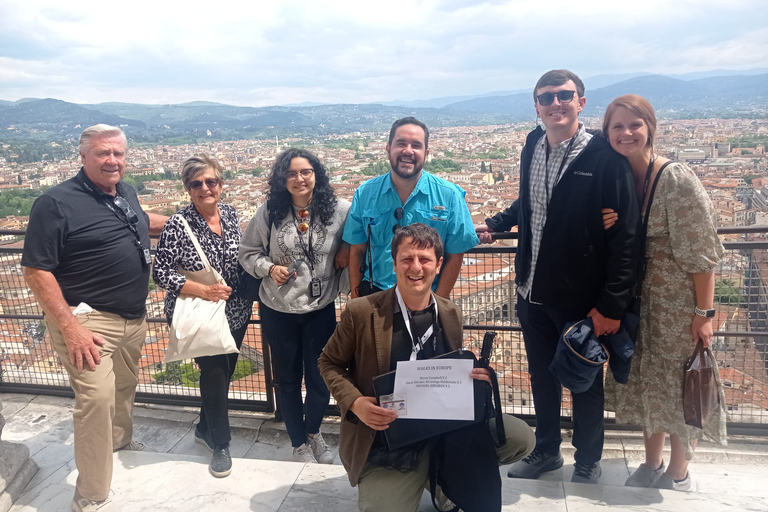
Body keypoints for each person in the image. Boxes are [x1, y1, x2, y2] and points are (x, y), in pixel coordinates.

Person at [475, 70, 639, 484]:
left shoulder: (604, 157)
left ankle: (588, 459)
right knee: (541, 377)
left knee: (585, 380)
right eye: (546, 97)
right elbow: (530, 203)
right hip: (531, 291)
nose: (555, 103)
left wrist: (610, 305)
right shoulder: (532, 143)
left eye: (565, 95)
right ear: (537, 107)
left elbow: (626, 241)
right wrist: (496, 223)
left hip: (581, 299)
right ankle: (546, 451)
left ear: (581, 102)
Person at [319, 223, 535, 511]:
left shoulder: (449, 312)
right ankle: (425, 476)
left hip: (442, 428)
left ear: (439, 264)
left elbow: (450, 371)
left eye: (425, 259)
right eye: (407, 259)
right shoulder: (362, 312)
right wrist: (355, 402)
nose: (416, 267)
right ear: (393, 263)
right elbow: (328, 362)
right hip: (388, 435)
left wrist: (477, 380)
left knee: (521, 437)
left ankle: (442, 477)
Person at [22, 124, 167, 512]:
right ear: (83, 157)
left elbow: (141, 219)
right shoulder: (55, 203)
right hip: (87, 320)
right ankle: (90, 495)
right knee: (96, 399)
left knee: (124, 386)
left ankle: (119, 441)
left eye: (118, 153)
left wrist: (190, 222)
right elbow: (36, 270)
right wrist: (70, 328)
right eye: (103, 153)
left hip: (133, 316)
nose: (112, 160)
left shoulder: (125, 193)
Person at [601, 95, 727, 491]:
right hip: (640, 303)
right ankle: (651, 462)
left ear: (650, 129)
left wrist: (703, 314)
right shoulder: (620, 178)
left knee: (677, 384)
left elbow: (703, 254)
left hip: (676, 304)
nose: (626, 133)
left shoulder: (675, 178)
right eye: (617, 126)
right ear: (606, 133)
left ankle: (679, 471)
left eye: (634, 125)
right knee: (645, 381)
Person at [239, 148, 350, 464]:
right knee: (287, 380)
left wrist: (346, 249)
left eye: (306, 172)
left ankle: (314, 434)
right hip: (277, 308)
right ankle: (298, 443)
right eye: (291, 173)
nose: (299, 179)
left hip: (321, 307)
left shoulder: (340, 211)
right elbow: (247, 252)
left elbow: (359, 240)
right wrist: (268, 269)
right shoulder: (269, 212)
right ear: (282, 179)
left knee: (320, 378)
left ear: (317, 175)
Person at [152, 154, 252, 478]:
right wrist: (200, 289)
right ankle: (220, 444)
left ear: (221, 184)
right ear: (188, 189)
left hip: (235, 311)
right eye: (197, 183)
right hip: (198, 311)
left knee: (225, 371)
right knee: (214, 373)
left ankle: (202, 428)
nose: (205, 188)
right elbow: (160, 271)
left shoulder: (230, 214)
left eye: (211, 181)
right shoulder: (178, 224)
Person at [344, 117, 479, 299]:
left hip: (425, 297)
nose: (408, 151)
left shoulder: (450, 196)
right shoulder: (365, 193)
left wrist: (437, 305)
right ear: (388, 149)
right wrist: (356, 301)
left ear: (426, 153)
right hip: (374, 295)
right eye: (401, 143)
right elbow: (357, 251)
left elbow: (455, 256)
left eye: (416, 145)